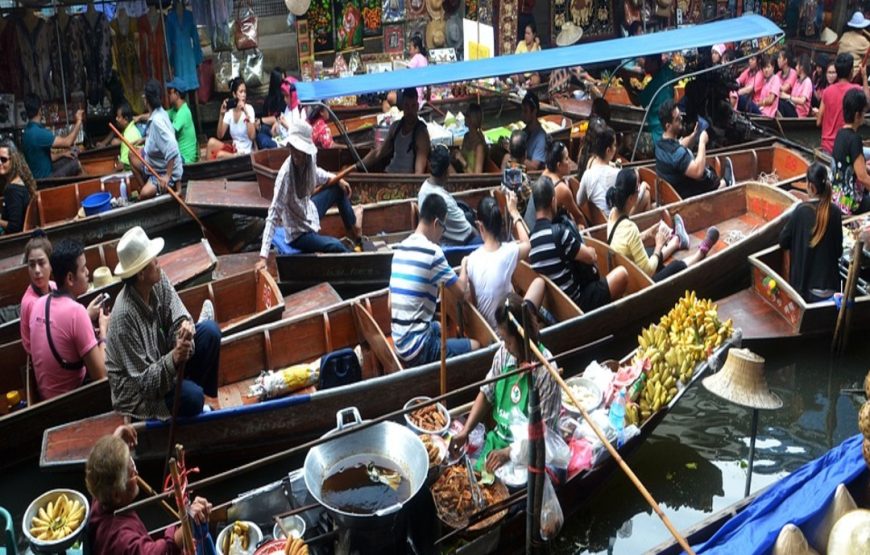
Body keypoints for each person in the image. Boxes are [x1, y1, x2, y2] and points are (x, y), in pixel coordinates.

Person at [106, 226, 221, 420]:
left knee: (210, 332)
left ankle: (198, 395)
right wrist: (175, 357)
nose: (158, 262)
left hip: (163, 360)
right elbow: (145, 384)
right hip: (139, 395)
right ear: (140, 274)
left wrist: (183, 332)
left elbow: (179, 316)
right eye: (153, 260)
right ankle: (192, 398)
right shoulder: (124, 317)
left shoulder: (158, 280)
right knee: (192, 398)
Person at [450, 295, 559, 473]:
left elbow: (543, 436)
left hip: (529, 455)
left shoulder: (545, 371)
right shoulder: (504, 355)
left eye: (508, 341)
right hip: (499, 439)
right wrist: (465, 431)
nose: (505, 346)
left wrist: (508, 453)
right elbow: (487, 393)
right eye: (502, 339)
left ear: (522, 336)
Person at [86, 425, 212, 553]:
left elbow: (105, 469)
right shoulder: (121, 538)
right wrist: (187, 525)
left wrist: (117, 440)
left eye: (131, 462)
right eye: (130, 472)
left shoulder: (101, 495)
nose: (136, 471)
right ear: (116, 495)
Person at [389, 194, 479, 366]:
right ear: (437, 223)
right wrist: (465, 265)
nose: (441, 235)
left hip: (399, 343)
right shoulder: (433, 252)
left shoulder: (399, 249)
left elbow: (389, 305)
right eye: (443, 229)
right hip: (416, 349)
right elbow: (460, 291)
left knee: (438, 325)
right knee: (477, 346)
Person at [258, 121, 361, 260]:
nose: (295, 153)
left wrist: (337, 178)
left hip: (310, 211)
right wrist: (263, 257)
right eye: (292, 148)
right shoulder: (285, 177)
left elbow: (316, 173)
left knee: (338, 188)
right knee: (336, 246)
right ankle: (357, 260)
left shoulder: (310, 157)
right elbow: (273, 215)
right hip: (298, 234)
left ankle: (354, 231)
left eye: (298, 149)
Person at [529, 176, 628, 312]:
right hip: (577, 304)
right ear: (553, 201)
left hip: (557, 307)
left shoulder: (532, 240)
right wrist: (585, 243)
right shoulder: (559, 233)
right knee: (622, 274)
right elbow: (591, 257)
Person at [29, 239, 109, 400]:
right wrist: (104, 331)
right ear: (70, 278)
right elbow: (101, 376)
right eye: (83, 268)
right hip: (70, 403)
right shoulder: (76, 312)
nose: (87, 272)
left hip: (45, 399)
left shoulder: (38, 304)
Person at [606, 168, 719, 283]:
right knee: (675, 266)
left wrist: (647, 233)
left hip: (628, 270)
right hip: (636, 284)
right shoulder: (630, 228)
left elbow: (625, 243)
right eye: (637, 188)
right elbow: (648, 271)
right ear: (630, 198)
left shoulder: (613, 213)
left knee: (648, 252)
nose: (640, 190)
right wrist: (659, 245)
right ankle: (700, 253)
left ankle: (676, 242)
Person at [460, 194, 541, 329]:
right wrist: (514, 212)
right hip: (509, 329)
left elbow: (475, 302)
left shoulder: (472, 259)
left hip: (490, 332)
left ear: (480, 225)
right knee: (539, 283)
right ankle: (531, 327)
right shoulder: (508, 252)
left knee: (510, 287)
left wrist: (463, 265)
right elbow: (527, 244)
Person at [780, 162, 842, 302]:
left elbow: (783, 241)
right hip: (832, 288)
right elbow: (838, 252)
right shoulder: (836, 212)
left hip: (807, 291)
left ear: (811, 187)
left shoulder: (801, 211)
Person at [655, 99, 734, 199]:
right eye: (677, 119)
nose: (681, 119)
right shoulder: (677, 153)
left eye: (680, 115)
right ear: (668, 126)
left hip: (674, 192)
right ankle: (726, 184)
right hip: (686, 196)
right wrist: (702, 142)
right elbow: (697, 171)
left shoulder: (660, 145)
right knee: (705, 174)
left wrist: (693, 136)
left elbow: (680, 145)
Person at [130, 79, 183, 200]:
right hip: (154, 162)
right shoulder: (159, 112)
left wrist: (167, 176)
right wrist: (144, 140)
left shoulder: (157, 122)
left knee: (144, 194)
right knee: (131, 155)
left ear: (146, 100)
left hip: (163, 170)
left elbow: (173, 147)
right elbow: (156, 136)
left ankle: (151, 191)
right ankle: (147, 184)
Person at [356, 88, 429, 174]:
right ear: (402, 106)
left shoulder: (421, 133)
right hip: (389, 173)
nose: (410, 111)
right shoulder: (395, 126)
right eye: (407, 106)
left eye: (413, 106)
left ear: (417, 106)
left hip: (407, 179)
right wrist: (357, 166)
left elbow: (418, 171)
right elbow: (379, 153)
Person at [418, 145, 479, 246]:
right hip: (453, 246)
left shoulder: (423, 189)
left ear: (429, 165)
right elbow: (468, 231)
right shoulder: (445, 201)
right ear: (447, 172)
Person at [21, 93, 84, 179]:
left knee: (70, 156)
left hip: (39, 177)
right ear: (40, 110)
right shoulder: (37, 133)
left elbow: (47, 157)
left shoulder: (27, 131)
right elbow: (68, 142)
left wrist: (63, 154)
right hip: (46, 180)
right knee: (77, 163)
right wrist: (79, 121)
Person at [817, 53, 868, 154]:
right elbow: (867, 103)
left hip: (826, 146)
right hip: (845, 147)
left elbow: (818, 122)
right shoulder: (856, 90)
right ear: (851, 72)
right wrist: (865, 77)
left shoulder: (827, 91)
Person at [831, 89, 870, 215]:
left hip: (836, 196)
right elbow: (862, 177)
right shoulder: (855, 139)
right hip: (850, 202)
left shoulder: (840, 133)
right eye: (863, 112)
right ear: (858, 115)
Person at [628, 54, 679, 145]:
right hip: (667, 129)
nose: (645, 64)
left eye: (648, 61)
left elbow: (636, 102)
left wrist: (626, 84)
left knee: (628, 139)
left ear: (655, 63)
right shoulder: (667, 72)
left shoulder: (653, 85)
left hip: (657, 134)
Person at [20, 234, 54, 354]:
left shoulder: (54, 286)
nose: (37, 270)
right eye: (32, 265)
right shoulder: (30, 303)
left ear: (51, 264)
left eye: (41, 263)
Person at [207, 77, 256, 160]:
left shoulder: (249, 109)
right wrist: (221, 114)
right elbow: (220, 135)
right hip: (234, 149)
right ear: (234, 94)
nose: (244, 94)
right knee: (211, 142)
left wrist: (246, 113)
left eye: (245, 92)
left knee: (220, 155)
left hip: (245, 152)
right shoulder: (229, 112)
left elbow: (252, 136)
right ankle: (207, 171)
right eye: (241, 92)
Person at [539, 141, 586, 226]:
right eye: (567, 159)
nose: (570, 162)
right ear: (559, 165)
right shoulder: (561, 189)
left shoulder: (544, 173)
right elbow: (579, 217)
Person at [0, 140, 37, 234]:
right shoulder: (21, 180)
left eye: (3, 159)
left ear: (13, 160)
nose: (0, 163)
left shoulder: (12, 190)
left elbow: (14, 227)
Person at [166, 78, 198, 164]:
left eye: (170, 92)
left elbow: (168, 133)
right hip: (180, 156)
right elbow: (159, 115)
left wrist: (145, 139)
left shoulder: (183, 112)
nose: (168, 95)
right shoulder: (175, 110)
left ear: (177, 94)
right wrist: (139, 117)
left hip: (185, 159)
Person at [256, 68, 288, 149]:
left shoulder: (285, 99)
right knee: (261, 132)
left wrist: (261, 120)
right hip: (272, 130)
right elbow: (266, 115)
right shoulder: (269, 99)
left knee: (263, 134)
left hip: (282, 130)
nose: (284, 84)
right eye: (282, 81)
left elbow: (278, 118)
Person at [453, 103, 486, 174]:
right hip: (462, 174)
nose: (464, 117)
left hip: (471, 181)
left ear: (472, 119)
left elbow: (477, 177)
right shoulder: (466, 136)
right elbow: (461, 156)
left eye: (467, 115)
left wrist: (462, 160)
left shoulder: (479, 146)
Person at [837, 11, 870, 76]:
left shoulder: (844, 35)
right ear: (862, 28)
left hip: (840, 71)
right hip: (853, 74)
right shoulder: (862, 41)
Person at [520, 92, 547, 170]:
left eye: (525, 111)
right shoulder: (525, 131)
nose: (522, 114)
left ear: (534, 112)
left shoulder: (541, 138)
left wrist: (516, 157)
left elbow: (534, 167)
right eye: (522, 111)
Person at [113, 103, 143, 170]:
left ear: (126, 119)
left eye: (118, 117)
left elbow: (121, 166)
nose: (116, 119)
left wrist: (108, 175)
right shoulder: (132, 129)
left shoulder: (128, 136)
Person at [408, 37, 429, 108]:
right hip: (420, 96)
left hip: (412, 96)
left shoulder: (416, 57)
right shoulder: (424, 59)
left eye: (410, 48)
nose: (409, 50)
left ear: (416, 48)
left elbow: (406, 72)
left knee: (389, 97)